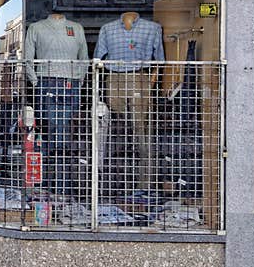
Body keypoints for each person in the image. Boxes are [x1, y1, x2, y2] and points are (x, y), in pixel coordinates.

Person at [94, 11, 164, 188]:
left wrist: (150, 83)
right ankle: (110, 182)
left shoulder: (153, 28)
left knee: (142, 131)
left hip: (139, 78)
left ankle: (144, 184)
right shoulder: (107, 29)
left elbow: (159, 61)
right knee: (115, 127)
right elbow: (97, 59)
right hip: (114, 78)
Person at [24, 10, 89, 195]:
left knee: (64, 133)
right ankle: (51, 184)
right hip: (47, 81)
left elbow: (84, 59)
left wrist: (78, 80)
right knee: (48, 133)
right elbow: (27, 58)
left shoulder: (77, 28)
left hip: (70, 83)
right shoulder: (36, 27)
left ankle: (60, 185)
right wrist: (36, 81)